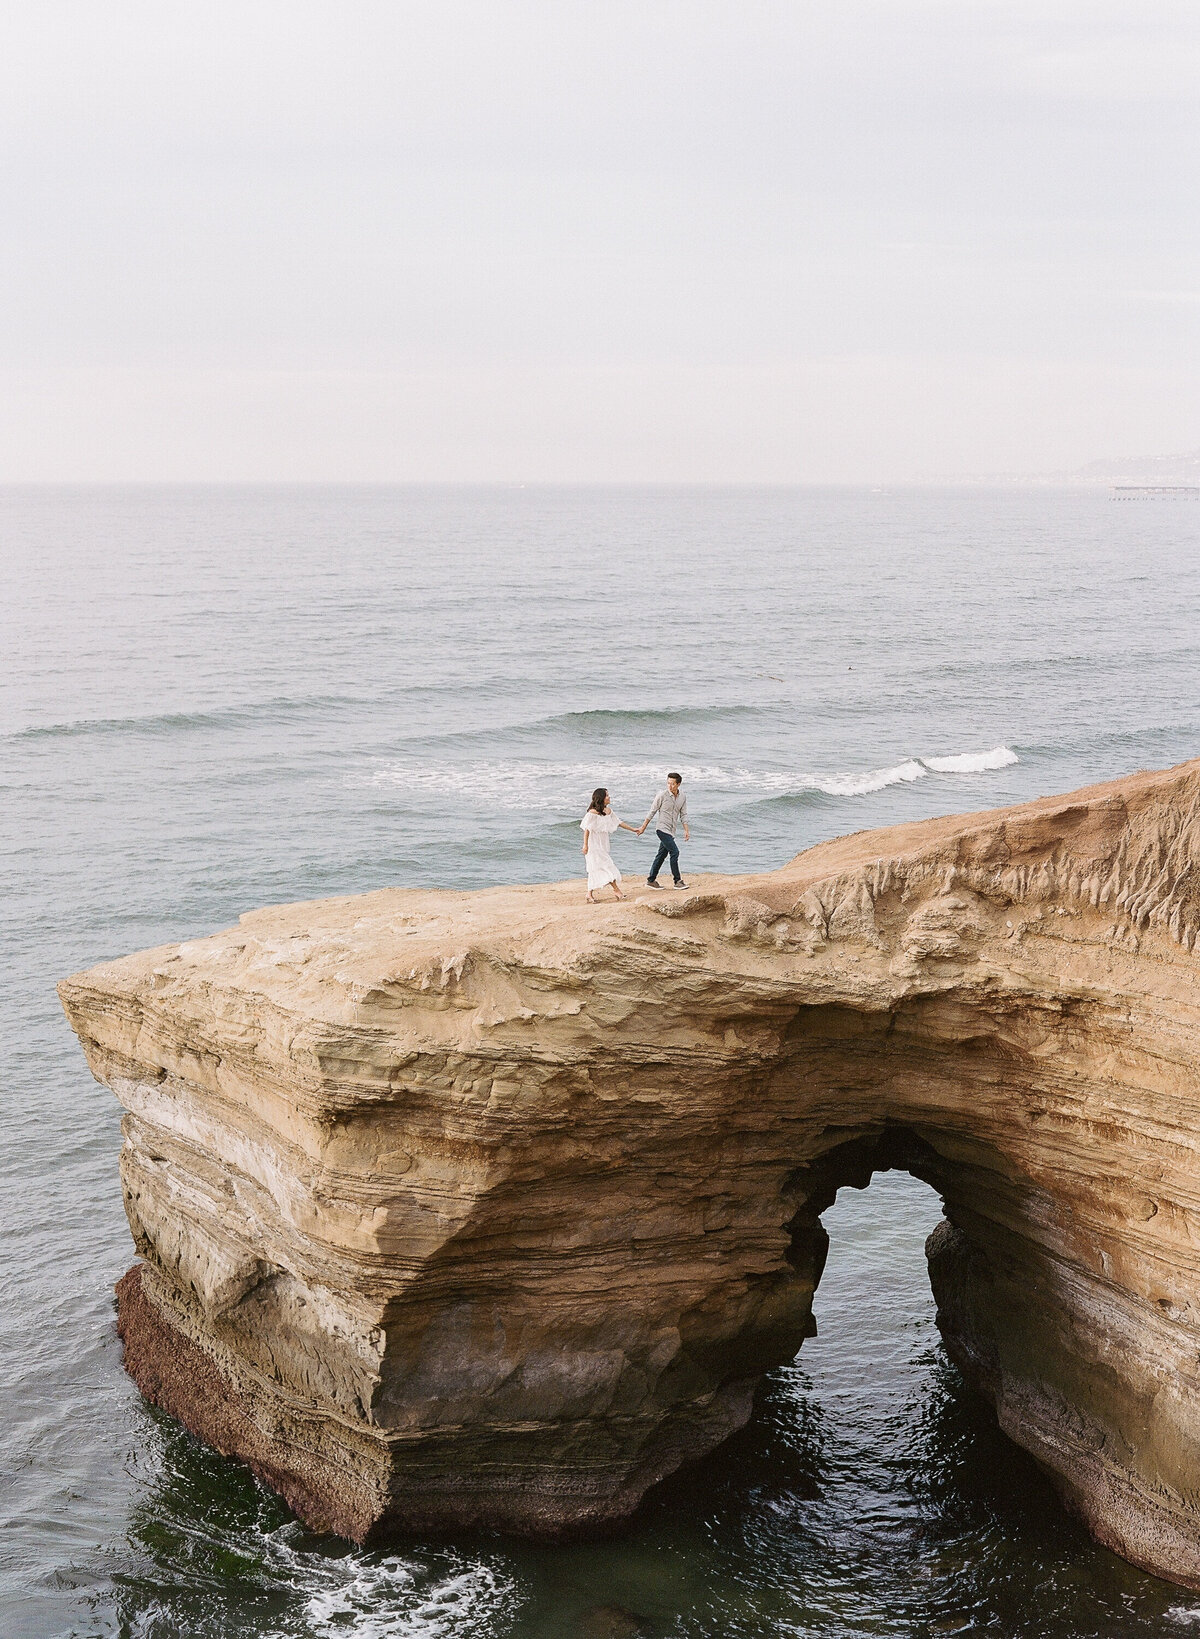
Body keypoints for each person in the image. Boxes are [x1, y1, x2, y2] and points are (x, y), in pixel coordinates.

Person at [581, 787, 639, 903]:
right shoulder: (591, 813)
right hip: (594, 844)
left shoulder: (608, 811)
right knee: (604, 866)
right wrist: (585, 845)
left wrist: (633, 829)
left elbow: (619, 822)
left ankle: (589, 893)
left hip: (603, 843)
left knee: (596, 868)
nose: (609, 797)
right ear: (601, 798)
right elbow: (586, 830)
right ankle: (617, 891)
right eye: (607, 795)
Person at [638, 771, 690, 889]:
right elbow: (652, 812)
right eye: (668, 783)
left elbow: (683, 814)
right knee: (675, 852)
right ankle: (677, 881)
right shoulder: (662, 795)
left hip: (672, 831)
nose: (670, 786)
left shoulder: (682, 796)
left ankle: (651, 880)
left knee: (661, 855)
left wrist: (686, 830)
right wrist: (643, 827)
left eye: (672, 784)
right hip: (661, 829)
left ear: (679, 784)